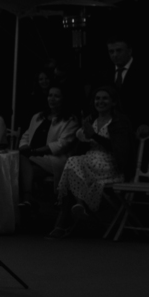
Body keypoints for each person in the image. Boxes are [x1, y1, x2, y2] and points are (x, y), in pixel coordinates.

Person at [49, 85, 134, 238]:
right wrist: (83, 136)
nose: (100, 101)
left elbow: (119, 149)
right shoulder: (92, 119)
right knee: (73, 162)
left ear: (113, 102)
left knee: (73, 165)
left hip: (110, 163)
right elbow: (83, 147)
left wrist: (94, 135)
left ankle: (67, 217)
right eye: (97, 98)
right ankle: (77, 208)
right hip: (90, 160)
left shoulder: (119, 121)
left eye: (105, 98)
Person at [17, 85, 78, 205]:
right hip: (30, 157)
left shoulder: (70, 120)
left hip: (53, 159)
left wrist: (34, 151)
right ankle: (28, 200)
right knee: (19, 166)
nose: (52, 99)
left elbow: (62, 145)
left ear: (64, 99)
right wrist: (24, 147)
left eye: (56, 96)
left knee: (18, 170)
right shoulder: (38, 116)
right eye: (50, 95)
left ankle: (27, 199)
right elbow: (26, 135)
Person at [104, 34, 149, 138]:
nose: (115, 55)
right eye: (111, 51)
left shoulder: (146, 71)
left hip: (137, 129)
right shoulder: (105, 73)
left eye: (119, 50)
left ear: (129, 51)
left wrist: (147, 123)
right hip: (110, 130)